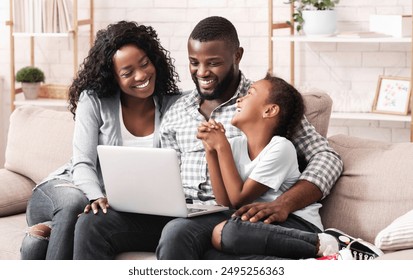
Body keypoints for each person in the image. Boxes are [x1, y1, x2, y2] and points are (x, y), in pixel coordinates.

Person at [155, 16, 345, 260]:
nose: (202, 72)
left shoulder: (267, 102)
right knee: (95, 224)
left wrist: (285, 203)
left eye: (213, 63)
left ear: (237, 56)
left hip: (230, 216)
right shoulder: (178, 112)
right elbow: (163, 174)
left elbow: (327, 157)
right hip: (189, 210)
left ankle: (329, 246)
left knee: (184, 233)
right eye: (194, 62)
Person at [20, 20, 180, 260]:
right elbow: (82, 163)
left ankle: (47, 236)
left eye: (145, 64)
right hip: (66, 188)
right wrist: (96, 196)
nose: (141, 75)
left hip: (114, 202)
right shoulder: (93, 100)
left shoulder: (170, 104)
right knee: (76, 204)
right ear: (113, 77)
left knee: (48, 240)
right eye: (127, 73)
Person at [196, 74, 343, 259]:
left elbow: (237, 200)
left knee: (225, 233)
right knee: (211, 255)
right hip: (261, 225)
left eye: (250, 93)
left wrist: (221, 146)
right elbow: (225, 203)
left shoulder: (281, 147)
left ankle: (325, 243)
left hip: (297, 223)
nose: (240, 98)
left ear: (270, 110)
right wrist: (210, 150)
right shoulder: (235, 145)